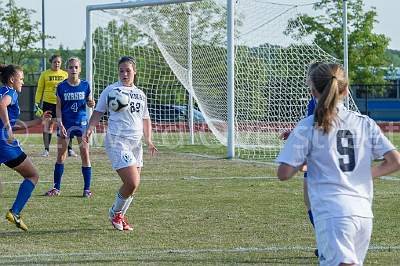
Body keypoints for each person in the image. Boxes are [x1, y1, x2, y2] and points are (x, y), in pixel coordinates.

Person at [276, 63, 400, 265]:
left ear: (312, 91)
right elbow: (395, 161)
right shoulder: (364, 122)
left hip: (333, 214)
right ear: (346, 89)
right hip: (363, 213)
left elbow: (284, 173)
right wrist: (360, 175)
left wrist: (302, 159)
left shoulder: (308, 125)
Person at [84, 56, 157, 231]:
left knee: (134, 185)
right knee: (131, 182)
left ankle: (119, 215)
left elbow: (145, 119)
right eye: (121, 71)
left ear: (134, 72)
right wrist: (89, 128)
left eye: (128, 70)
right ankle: (115, 212)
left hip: (136, 143)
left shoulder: (140, 94)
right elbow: (98, 112)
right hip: (118, 141)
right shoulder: (112, 90)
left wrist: (149, 140)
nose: (124, 74)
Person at [0, 64, 51, 231]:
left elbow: (11, 125)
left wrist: (37, 122)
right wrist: (7, 127)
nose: (22, 82)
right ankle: (14, 212)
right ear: (12, 80)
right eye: (21, 79)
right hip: (4, 144)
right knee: (33, 175)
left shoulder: (3, 91)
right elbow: (2, 106)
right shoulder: (10, 93)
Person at [44, 57, 95, 197]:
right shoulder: (61, 86)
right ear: (67, 69)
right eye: (71, 67)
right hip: (65, 125)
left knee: (85, 155)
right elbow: (58, 107)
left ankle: (87, 189)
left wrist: (91, 103)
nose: (74, 70)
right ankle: (56, 188)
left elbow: (90, 102)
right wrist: (59, 122)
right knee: (61, 156)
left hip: (81, 125)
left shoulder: (85, 85)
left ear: (80, 69)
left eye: (76, 67)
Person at [35, 54, 77, 157]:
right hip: (48, 103)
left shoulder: (65, 74)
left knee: (66, 125)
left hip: (63, 103)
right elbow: (40, 88)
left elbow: (71, 87)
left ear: (61, 63)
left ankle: (70, 149)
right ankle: (46, 150)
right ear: (51, 62)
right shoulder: (45, 74)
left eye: (58, 62)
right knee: (48, 125)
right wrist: (36, 103)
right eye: (55, 62)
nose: (57, 64)